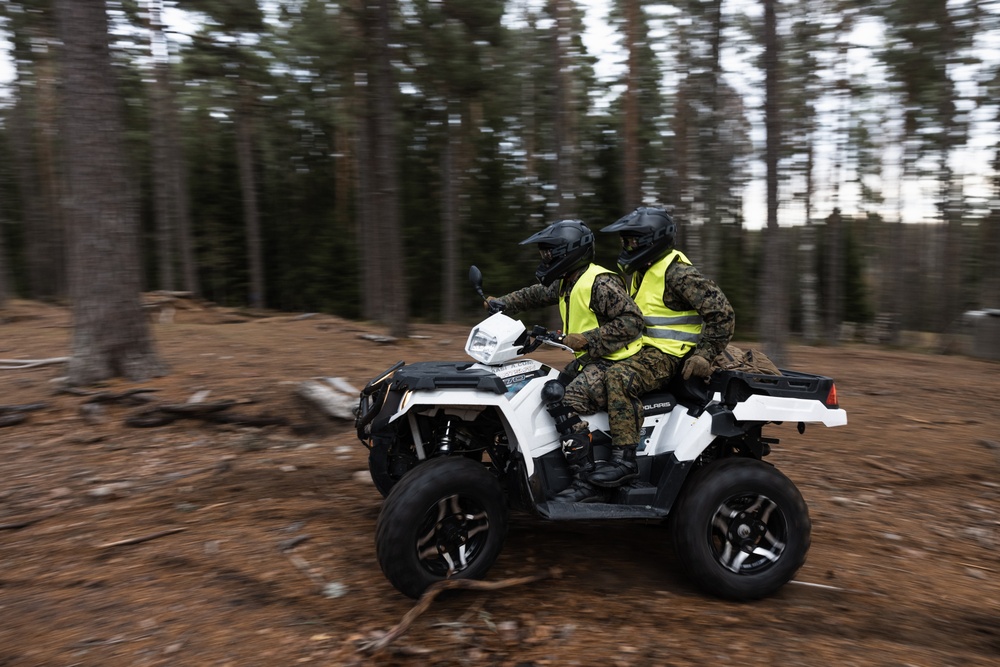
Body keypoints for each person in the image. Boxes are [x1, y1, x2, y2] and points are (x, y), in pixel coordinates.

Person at [486, 219, 643, 503]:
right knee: (538, 391)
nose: (545, 257)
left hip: (615, 361)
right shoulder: (568, 281)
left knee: (564, 400)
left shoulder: (600, 282)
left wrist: (589, 338)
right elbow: (535, 294)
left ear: (570, 252)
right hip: (591, 360)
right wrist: (503, 302)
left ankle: (587, 483)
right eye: (543, 253)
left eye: (549, 252)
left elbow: (633, 322)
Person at [588, 207, 735, 487]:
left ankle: (625, 461)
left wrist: (705, 354)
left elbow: (722, 313)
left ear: (652, 240)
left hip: (669, 356)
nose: (626, 246)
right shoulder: (645, 270)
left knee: (619, 378)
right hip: (644, 351)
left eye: (631, 241)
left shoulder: (678, 274)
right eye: (624, 241)